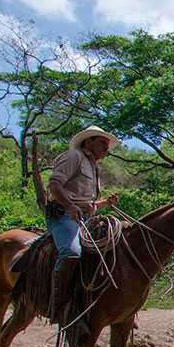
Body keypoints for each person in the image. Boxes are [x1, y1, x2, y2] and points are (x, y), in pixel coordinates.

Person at [45, 126, 120, 320]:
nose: (106, 148)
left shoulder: (94, 166)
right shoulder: (74, 157)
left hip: (84, 219)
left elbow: (86, 203)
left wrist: (105, 203)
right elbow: (54, 185)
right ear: (88, 142)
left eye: (107, 145)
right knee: (71, 253)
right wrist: (69, 206)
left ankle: (111, 305)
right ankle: (57, 304)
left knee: (113, 251)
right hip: (63, 217)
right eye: (103, 143)